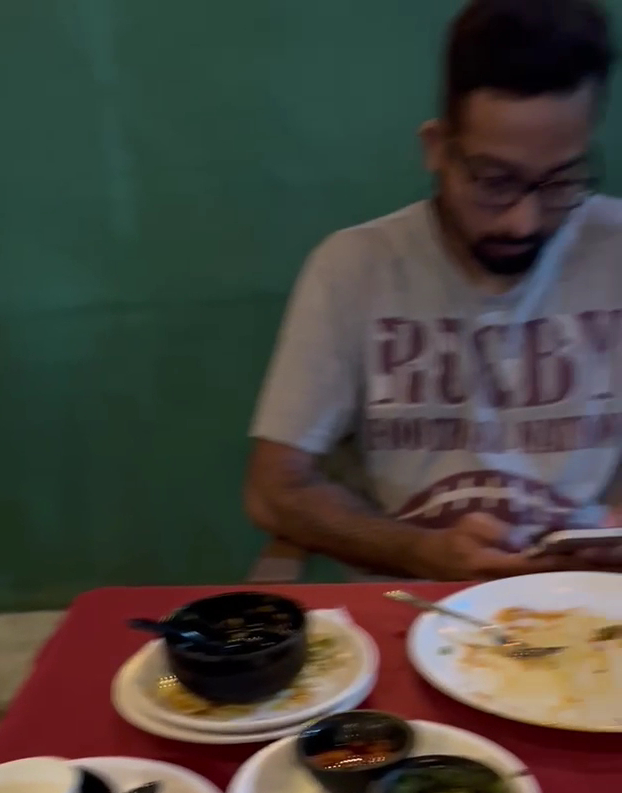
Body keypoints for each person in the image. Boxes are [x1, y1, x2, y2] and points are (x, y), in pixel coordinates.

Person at [245, 0, 622, 580]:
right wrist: (419, 553)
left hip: (587, 607)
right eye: (494, 180)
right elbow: (274, 491)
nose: (523, 222)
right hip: (413, 603)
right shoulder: (355, 269)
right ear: (438, 149)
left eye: (560, 182)